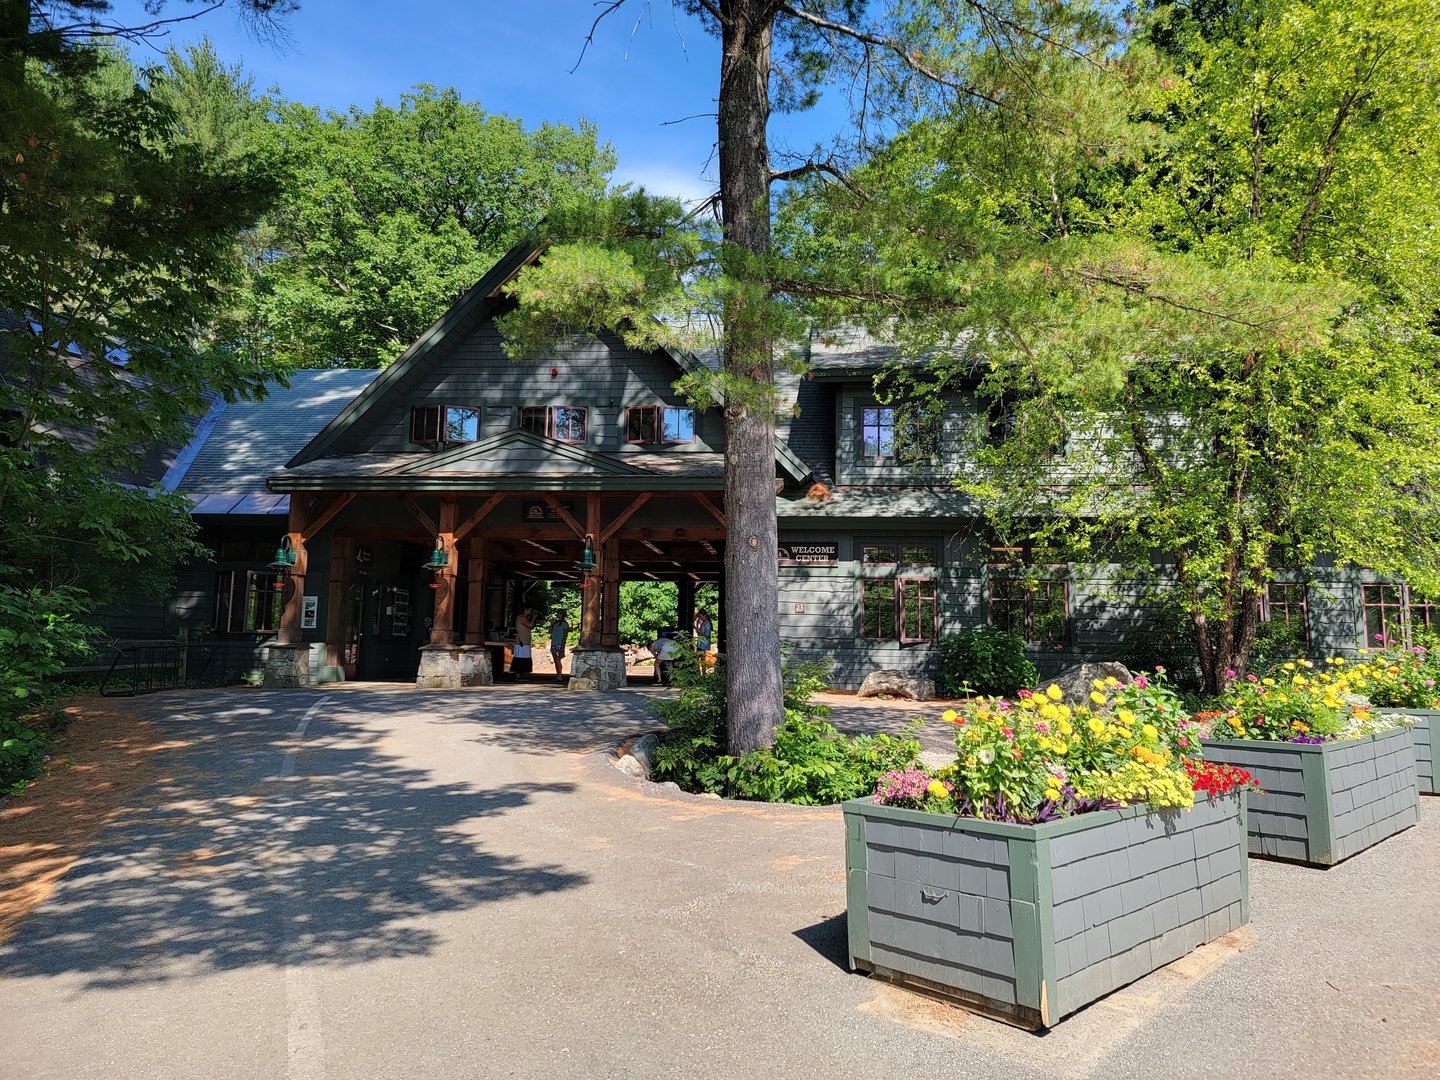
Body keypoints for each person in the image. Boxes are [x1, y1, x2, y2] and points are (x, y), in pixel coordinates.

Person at [511, 607, 536, 680]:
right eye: (530, 610)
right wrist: (533, 618)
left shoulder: (525, 618)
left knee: (524, 659)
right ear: (525, 610)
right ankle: (518, 676)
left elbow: (531, 626)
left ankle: (521, 675)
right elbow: (530, 625)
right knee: (520, 659)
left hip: (525, 642)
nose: (531, 611)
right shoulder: (521, 618)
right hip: (521, 642)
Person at [548, 612, 570, 683]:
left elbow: (565, 635)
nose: (557, 614)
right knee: (555, 660)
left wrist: (563, 645)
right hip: (554, 643)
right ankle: (558, 675)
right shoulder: (555, 623)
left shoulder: (565, 624)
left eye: (559, 613)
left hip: (559, 644)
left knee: (558, 660)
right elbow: (550, 631)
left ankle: (559, 676)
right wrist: (551, 624)